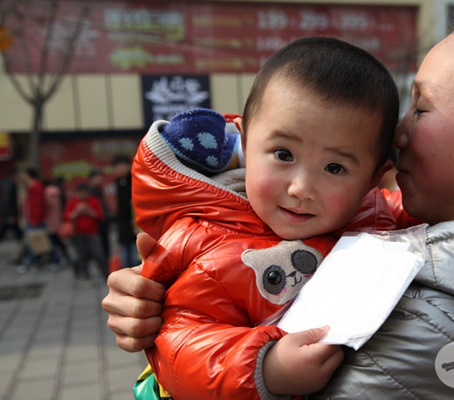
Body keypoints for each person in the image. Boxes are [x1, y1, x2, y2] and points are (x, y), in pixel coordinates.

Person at [102, 5, 454, 399]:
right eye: (282, 154)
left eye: (423, 108)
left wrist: (182, 355)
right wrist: (166, 303)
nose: (399, 134)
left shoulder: (431, 325)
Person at [127, 37, 401, 400]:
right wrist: (266, 368)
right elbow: (178, 342)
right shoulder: (205, 237)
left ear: (373, 177)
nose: (301, 188)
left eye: (335, 168)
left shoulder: (376, 213)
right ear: (244, 141)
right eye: (283, 154)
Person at [18, 168, 62, 273]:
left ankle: (31, 262)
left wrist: (36, 219)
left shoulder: (36, 186)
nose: (22, 177)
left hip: (35, 219)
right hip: (31, 218)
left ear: (28, 175)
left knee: (35, 241)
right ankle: (55, 259)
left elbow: (38, 205)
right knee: (40, 240)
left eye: (23, 174)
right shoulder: (30, 187)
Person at [63, 183, 109, 284]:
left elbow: (100, 216)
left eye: (84, 192)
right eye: (80, 193)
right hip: (77, 234)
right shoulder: (72, 202)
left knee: (98, 254)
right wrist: (77, 211)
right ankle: (86, 276)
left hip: (93, 233)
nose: (82, 195)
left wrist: (88, 211)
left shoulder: (94, 200)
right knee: (82, 255)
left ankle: (105, 275)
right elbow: (67, 217)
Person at [112, 154, 139, 268]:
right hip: (123, 227)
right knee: (125, 260)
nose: (118, 169)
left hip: (135, 225)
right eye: (116, 167)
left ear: (128, 165)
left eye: (120, 166)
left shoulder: (135, 180)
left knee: (136, 259)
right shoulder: (118, 183)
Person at [88, 168, 111, 257]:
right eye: (97, 177)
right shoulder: (91, 192)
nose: (100, 179)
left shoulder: (99, 190)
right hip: (97, 223)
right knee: (101, 247)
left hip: (103, 221)